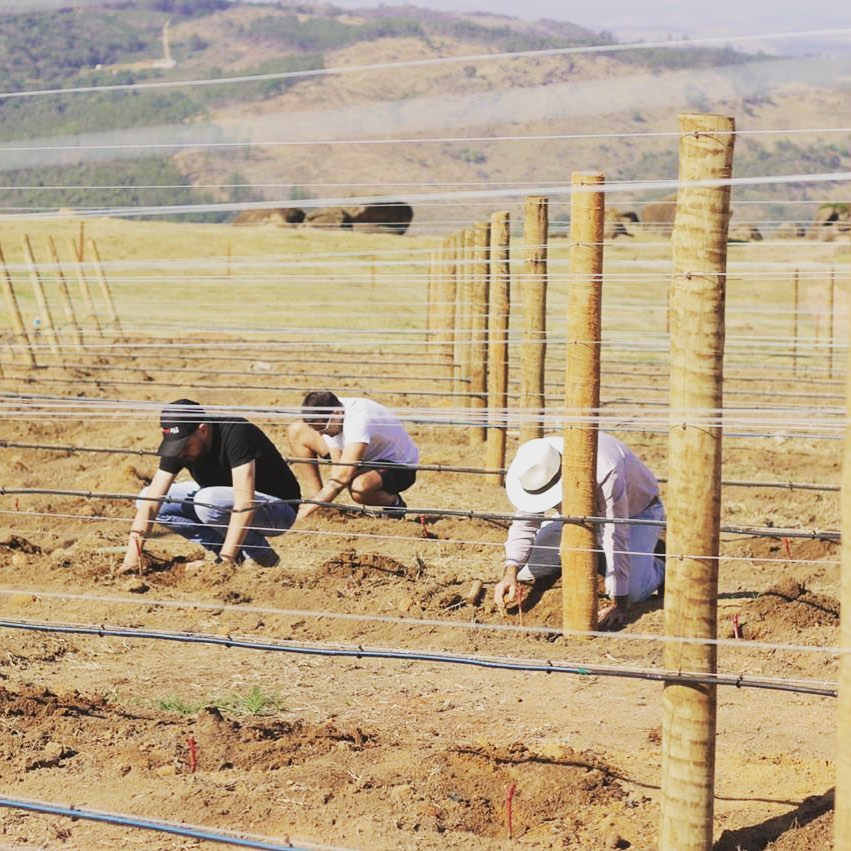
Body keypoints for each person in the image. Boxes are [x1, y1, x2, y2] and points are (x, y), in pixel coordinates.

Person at [494, 433, 665, 630]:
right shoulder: (535, 464)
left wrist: (620, 602)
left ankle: (659, 564)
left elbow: (616, 532)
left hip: (635, 514)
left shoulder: (605, 470)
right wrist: (510, 572)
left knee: (632, 592)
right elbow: (524, 523)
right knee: (524, 572)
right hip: (573, 514)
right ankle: (603, 556)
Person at [122, 399, 300, 571]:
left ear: (203, 430)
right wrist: (131, 558)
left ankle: (257, 556)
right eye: (175, 447)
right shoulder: (179, 445)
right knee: (145, 498)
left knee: (208, 502)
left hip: (278, 509)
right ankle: (230, 553)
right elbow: (152, 501)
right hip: (222, 500)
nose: (180, 452)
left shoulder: (237, 432)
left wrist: (225, 561)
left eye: (185, 445)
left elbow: (245, 502)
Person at [288, 390, 419, 521]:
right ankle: (321, 507)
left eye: (323, 428)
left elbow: (342, 476)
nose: (321, 434)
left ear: (336, 414)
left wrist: (306, 510)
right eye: (317, 429)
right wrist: (318, 503)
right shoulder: (331, 412)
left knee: (359, 489)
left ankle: (394, 504)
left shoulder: (358, 420)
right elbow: (337, 468)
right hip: (360, 454)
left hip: (399, 466)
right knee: (297, 431)